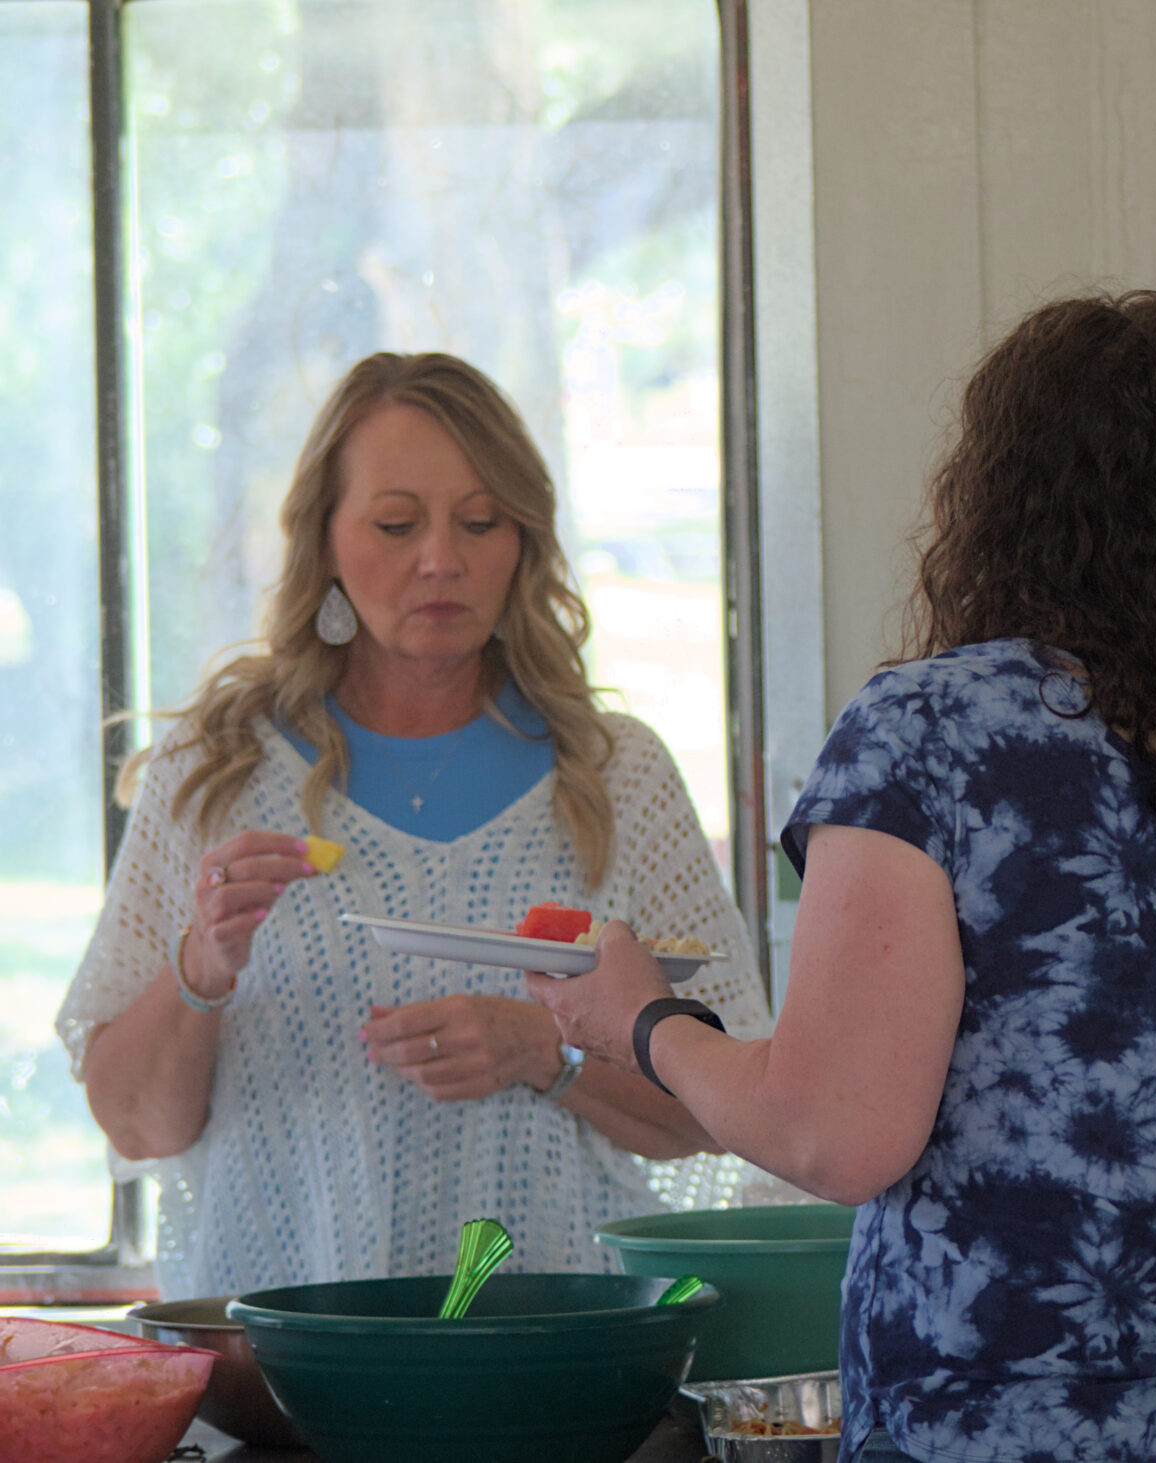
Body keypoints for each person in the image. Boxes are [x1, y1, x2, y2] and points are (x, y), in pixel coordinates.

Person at [529, 290, 1156, 1463]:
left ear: (995, 501)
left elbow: (836, 1132)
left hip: (981, 1427)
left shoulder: (932, 734)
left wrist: (644, 1019)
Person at [56, 351, 771, 1301]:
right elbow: (136, 1125)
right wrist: (201, 969)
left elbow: (731, 1106)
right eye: (396, 523)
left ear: (522, 540)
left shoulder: (614, 776)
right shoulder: (211, 772)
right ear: (325, 541)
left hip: (561, 1365)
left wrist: (543, 1053)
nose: (441, 558)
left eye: (480, 521)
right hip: (285, 1377)